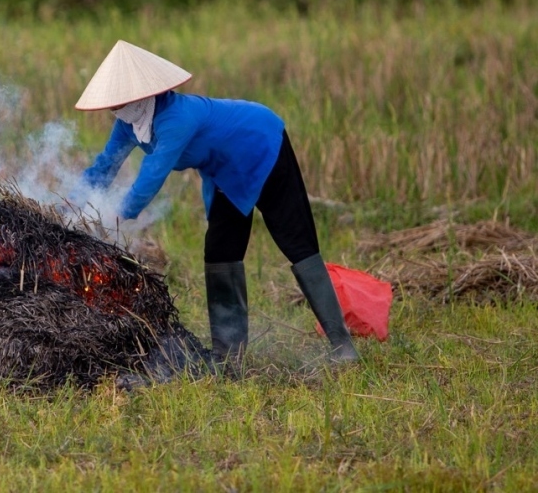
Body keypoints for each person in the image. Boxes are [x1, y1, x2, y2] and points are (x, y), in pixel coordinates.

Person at [70, 40, 358, 365]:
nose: (116, 109)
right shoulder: (128, 126)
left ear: (143, 94)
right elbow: (104, 165)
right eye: (113, 104)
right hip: (225, 170)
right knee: (221, 250)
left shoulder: (176, 117)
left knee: (295, 240)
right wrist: (72, 204)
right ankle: (228, 357)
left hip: (263, 145)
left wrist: (118, 215)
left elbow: (151, 175)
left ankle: (342, 346)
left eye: (121, 102)